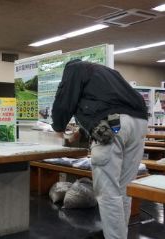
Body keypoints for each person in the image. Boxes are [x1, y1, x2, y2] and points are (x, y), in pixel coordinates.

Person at [51, 59, 148, 239]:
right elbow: (108, 104)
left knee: (108, 193)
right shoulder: (108, 73)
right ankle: (120, 235)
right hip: (139, 123)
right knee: (124, 190)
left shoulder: (74, 68)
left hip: (113, 127)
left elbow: (64, 102)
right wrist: (82, 130)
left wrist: (58, 127)